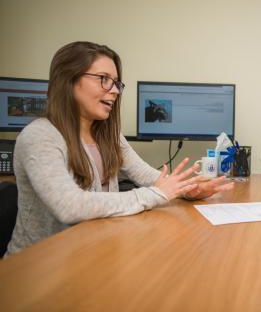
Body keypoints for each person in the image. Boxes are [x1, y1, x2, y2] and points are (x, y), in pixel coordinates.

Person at [6, 41, 233, 256]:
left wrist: (188, 189)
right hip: (38, 267)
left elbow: (148, 177)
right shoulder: (40, 136)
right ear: (69, 80)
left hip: (93, 251)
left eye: (116, 83)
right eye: (104, 79)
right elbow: (70, 206)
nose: (115, 90)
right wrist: (155, 194)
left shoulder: (108, 135)